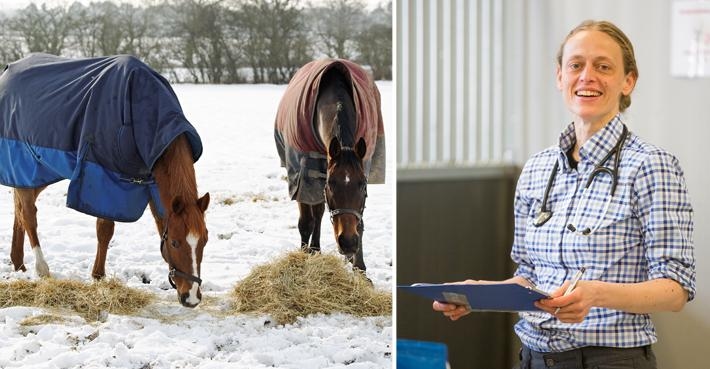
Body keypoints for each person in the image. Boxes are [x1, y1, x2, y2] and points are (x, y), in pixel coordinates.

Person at [433, 20, 696, 369]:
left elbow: (675, 289)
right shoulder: (538, 168)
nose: (587, 76)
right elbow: (531, 275)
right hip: (533, 358)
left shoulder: (651, 165)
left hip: (610, 361)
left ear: (628, 81)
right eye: (576, 65)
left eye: (603, 66)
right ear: (560, 77)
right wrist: (479, 294)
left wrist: (597, 293)